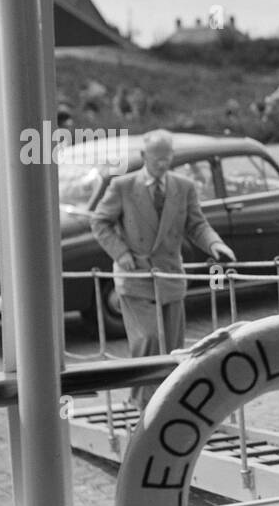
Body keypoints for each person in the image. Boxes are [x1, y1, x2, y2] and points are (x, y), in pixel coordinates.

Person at [91, 129, 236, 409]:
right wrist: (120, 253)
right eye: (157, 158)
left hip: (170, 277)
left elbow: (196, 225)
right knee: (148, 337)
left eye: (167, 157)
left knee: (172, 346)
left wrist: (216, 245)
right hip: (136, 277)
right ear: (144, 156)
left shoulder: (183, 187)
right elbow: (100, 222)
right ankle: (142, 403)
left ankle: (169, 402)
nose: (162, 163)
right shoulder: (123, 186)